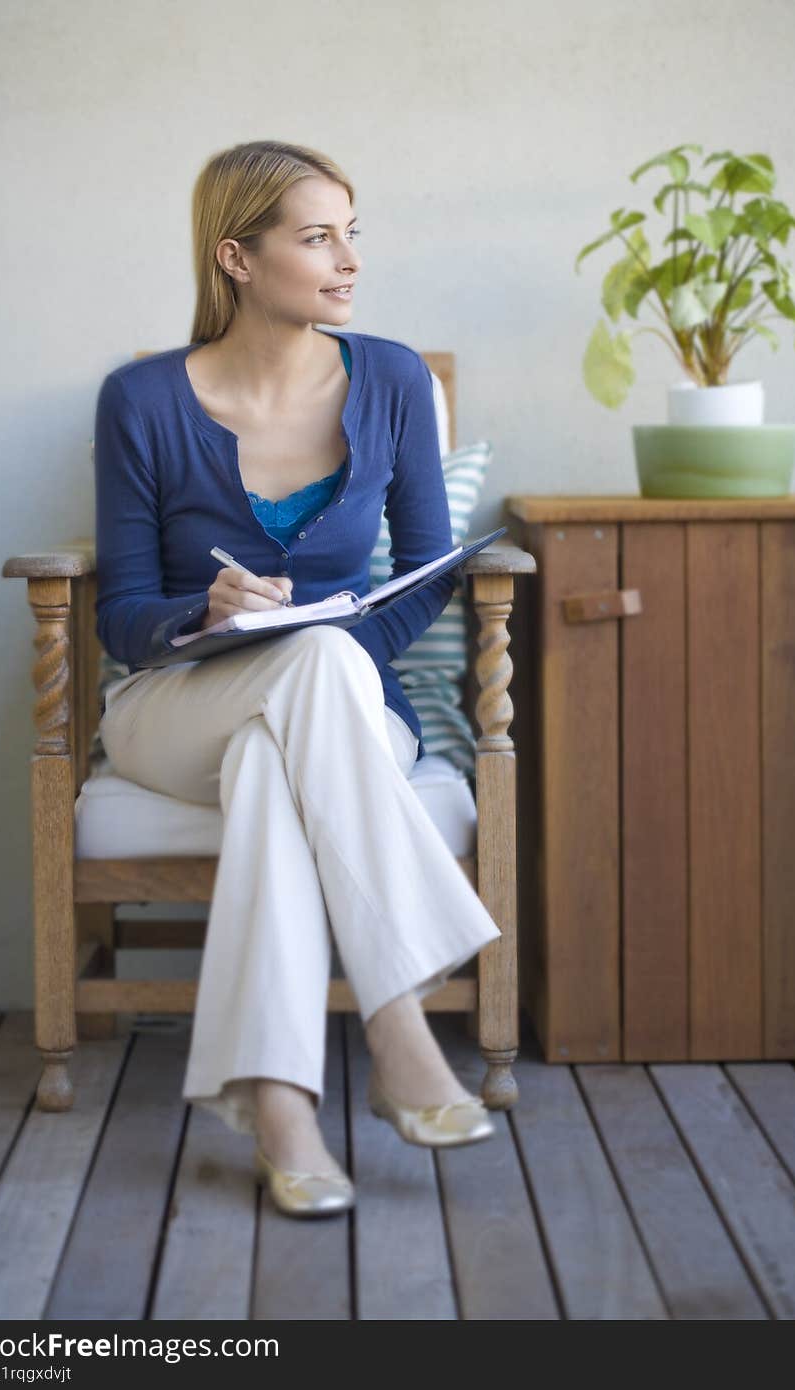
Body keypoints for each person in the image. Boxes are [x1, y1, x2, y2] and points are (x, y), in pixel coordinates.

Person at [94, 139, 502, 1219]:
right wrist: (203, 610)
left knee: (288, 751)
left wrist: (322, 636)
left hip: (348, 701)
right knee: (301, 680)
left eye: (350, 232)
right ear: (237, 255)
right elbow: (122, 618)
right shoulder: (138, 400)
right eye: (316, 236)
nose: (348, 258)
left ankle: (279, 1109)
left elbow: (424, 578)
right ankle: (399, 1023)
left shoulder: (395, 381)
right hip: (173, 704)